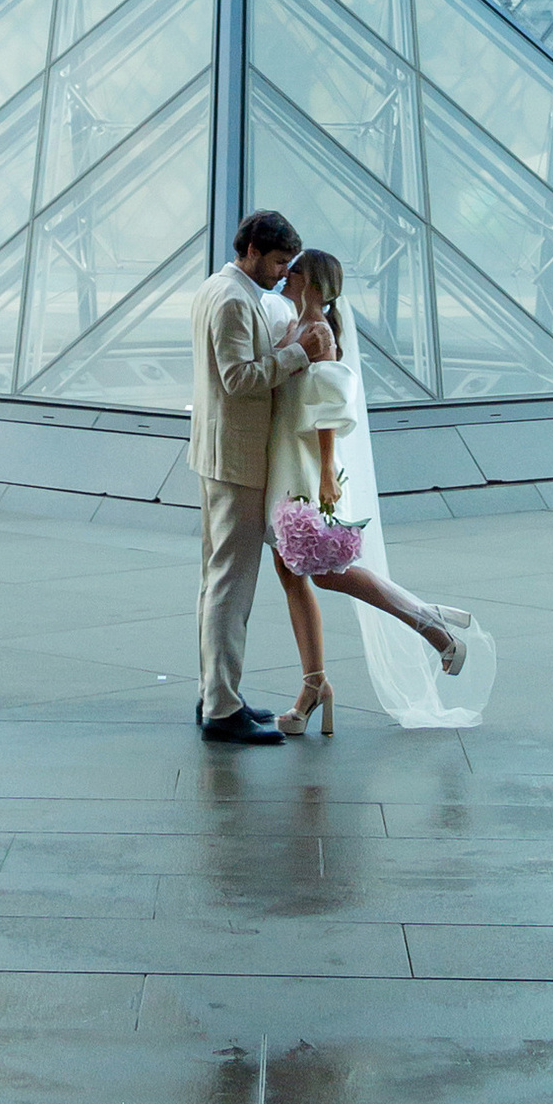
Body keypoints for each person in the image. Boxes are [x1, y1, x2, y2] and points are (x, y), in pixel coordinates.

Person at [265, 247, 496, 736]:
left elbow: (330, 410)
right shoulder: (296, 325)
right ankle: (315, 684)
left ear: (313, 283)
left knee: (325, 573)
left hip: (307, 465)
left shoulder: (318, 332)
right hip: (287, 458)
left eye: (294, 270)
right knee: (292, 572)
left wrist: (325, 474)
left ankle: (428, 622)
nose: (285, 275)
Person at [188, 208, 333, 744]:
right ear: (250, 250)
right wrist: (296, 354)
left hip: (217, 454)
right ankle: (222, 710)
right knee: (231, 586)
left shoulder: (217, 287)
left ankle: (216, 694)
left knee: (215, 581)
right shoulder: (233, 299)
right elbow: (237, 379)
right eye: (276, 262)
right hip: (237, 459)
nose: (281, 273)